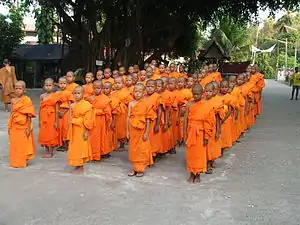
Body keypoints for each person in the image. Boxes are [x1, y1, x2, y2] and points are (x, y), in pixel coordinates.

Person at [183, 84, 214, 183]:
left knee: (199, 155)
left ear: (202, 93)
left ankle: (198, 174)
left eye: (198, 94)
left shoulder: (206, 105)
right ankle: (192, 173)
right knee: (191, 154)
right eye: (194, 94)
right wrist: (184, 134)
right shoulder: (189, 105)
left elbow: (209, 122)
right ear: (192, 93)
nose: (196, 96)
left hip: (201, 133)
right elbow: (185, 121)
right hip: (191, 131)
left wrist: (206, 137)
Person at [127, 84, 154, 177]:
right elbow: (128, 117)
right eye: (136, 91)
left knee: (141, 149)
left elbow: (148, 119)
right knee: (133, 149)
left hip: (142, 130)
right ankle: (135, 168)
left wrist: (146, 132)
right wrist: (127, 131)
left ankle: (140, 169)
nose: (137, 94)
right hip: (132, 129)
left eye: (139, 92)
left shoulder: (146, 104)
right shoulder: (131, 104)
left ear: (143, 93)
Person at [8, 81, 36, 168]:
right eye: (16, 88)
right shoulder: (13, 100)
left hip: (23, 125)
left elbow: (29, 115)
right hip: (15, 125)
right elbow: (12, 114)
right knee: (15, 143)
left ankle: (23, 160)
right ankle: (15, 161)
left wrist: (28, 127)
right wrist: (9, 126)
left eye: (20, 89)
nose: (18, 90)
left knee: (23, 143)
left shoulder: (27, 100)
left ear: (24, 90)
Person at [67, 86, 94, 174]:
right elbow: (70, 117)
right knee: (74, 147)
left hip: (82, 129)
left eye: (79, 93)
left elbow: (88, 120)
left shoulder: (87, 105)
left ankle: (81, 166)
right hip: (73, 129)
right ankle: (76, 165)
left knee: (81, 147)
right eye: (75, 93)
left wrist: (86, 131)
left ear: (83, 94)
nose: (77, 95)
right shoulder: (72, 105)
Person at [88, 80, 112, 161]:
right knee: (92, 137)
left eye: (98, 88)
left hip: (101, 121)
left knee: (100, 137)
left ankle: (99, 154)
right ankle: (92, 153)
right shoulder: (90, 98)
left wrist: (108, 122)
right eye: (95, 88)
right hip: (91, 120)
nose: (96, 90)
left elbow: (108, 113)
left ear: (102, 88)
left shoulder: (105, 99)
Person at [38, 78, 59, 158]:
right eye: (46, 85)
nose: (48, 87)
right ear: (44, 86)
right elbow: (40, 109)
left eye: (50, 85)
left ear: (53, 86)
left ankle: (51, 151)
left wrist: (56, 121)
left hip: (52, 117)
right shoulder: (42, 96)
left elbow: (56, 110)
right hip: (44, 117)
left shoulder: (55, 96)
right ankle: (46, 150)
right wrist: (39, 120)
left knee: (51, 133)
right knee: (44, 134)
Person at [111, 76, 133, 150]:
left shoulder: (126, 92)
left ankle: (122, 143)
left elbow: (130, 102)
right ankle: (114, 143)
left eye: (119, 83)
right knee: (114, 128)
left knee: (122, 128)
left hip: (123, 113)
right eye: (116, 83)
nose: (117, 85)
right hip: (115, 114)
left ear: (123, 83)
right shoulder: (112, 93)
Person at [145, 79, 163, 158]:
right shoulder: (143, 96)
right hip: (145, 122)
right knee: (146, 138)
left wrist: (157, 124)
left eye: (152, 87)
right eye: (148, 86)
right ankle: (146, 154)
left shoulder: (157, 97)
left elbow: (159, 112)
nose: (150, 88)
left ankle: (152, 155)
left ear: (155, 88)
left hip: (153, 121)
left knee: (153, 139)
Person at [102, 82, 121, 152]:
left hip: (110, 120)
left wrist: (113, 122)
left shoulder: (114, 99)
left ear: (111, 89)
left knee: (109, 136)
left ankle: (108, 149)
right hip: (101, 120)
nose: (105, 90)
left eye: (107, 88)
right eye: (103, 88)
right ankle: (103, 150)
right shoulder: (100, 98)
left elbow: (115, 113)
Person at [56, 77, 72, 151]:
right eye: (61, 83)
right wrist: (58, 112)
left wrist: (64, 112)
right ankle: (61, 143)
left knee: (66, 128)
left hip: (66, 112)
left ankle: (66, 144)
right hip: (59, 112)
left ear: (67, 84)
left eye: (64, 83)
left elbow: (70, 104)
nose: (62, 85)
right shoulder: (57, 93)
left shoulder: (69, 93)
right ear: (58, 84)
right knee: (60, 127)